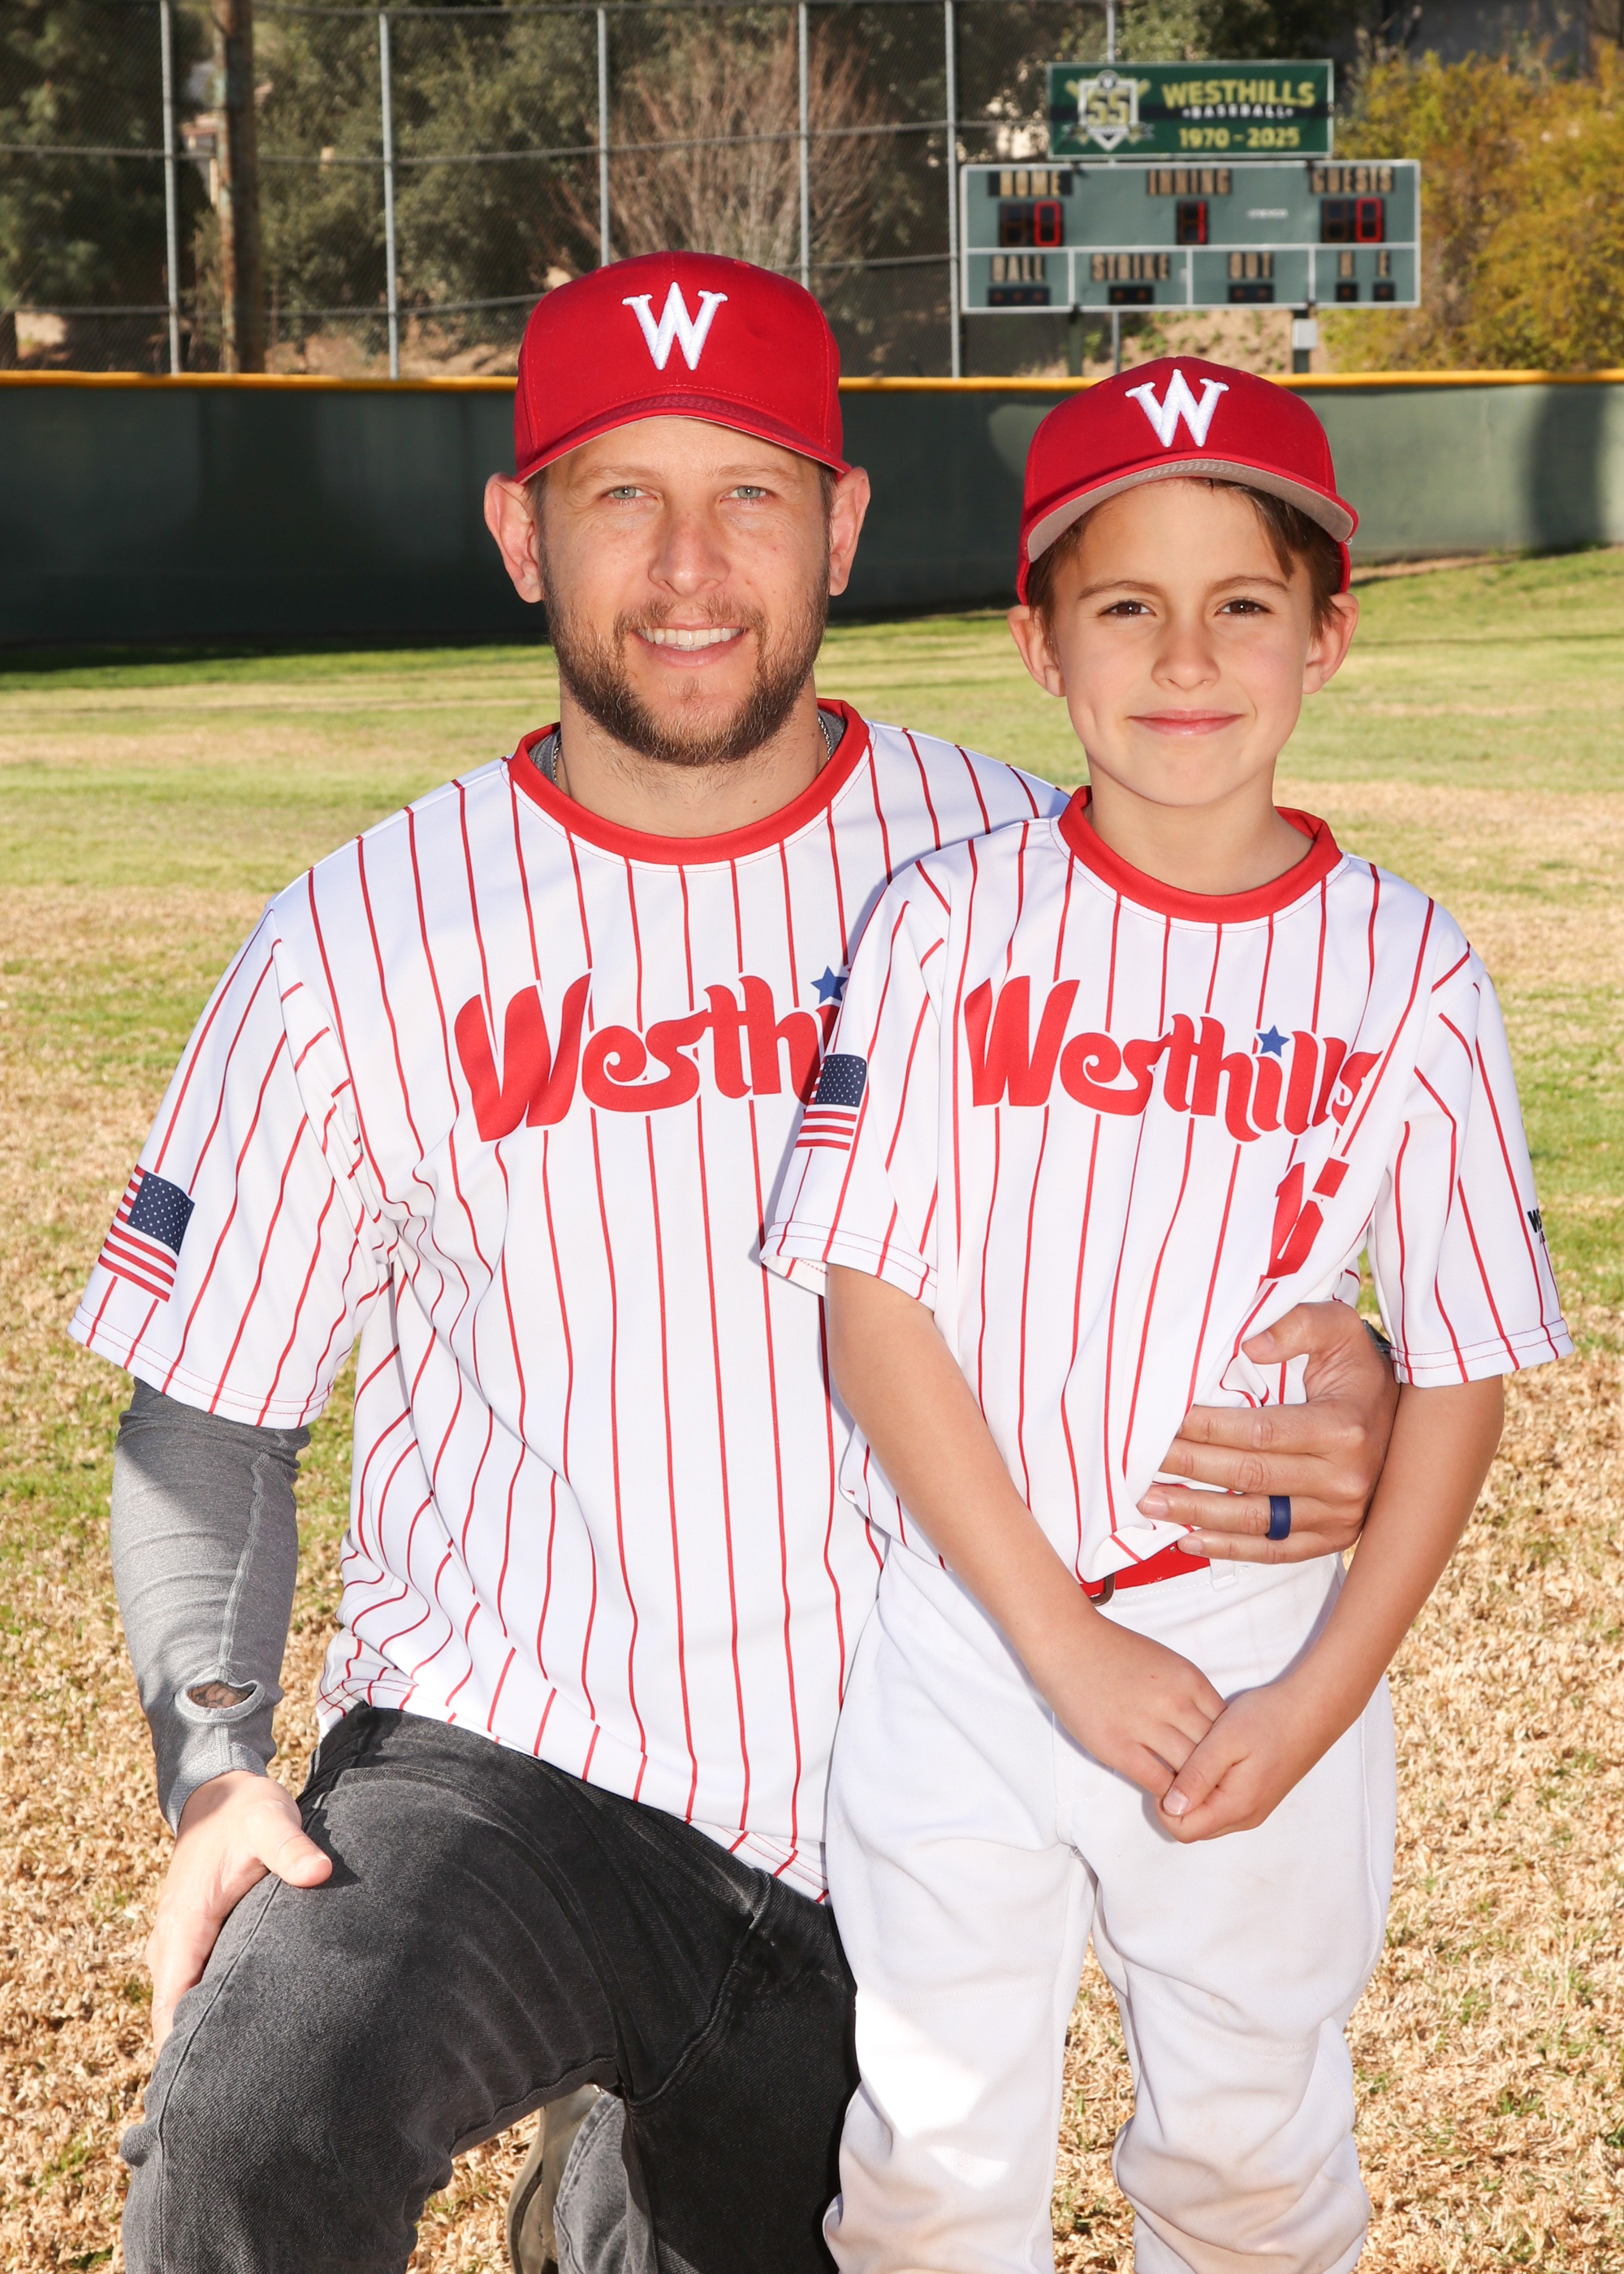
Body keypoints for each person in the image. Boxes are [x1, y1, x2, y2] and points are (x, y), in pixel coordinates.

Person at [76, 274, 1399, 2274]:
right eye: (621, 494)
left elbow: (1223, 1236)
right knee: (259, 2117)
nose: (690, 568)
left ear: (844, 526)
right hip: (508, 1758)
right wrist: (212, 1766)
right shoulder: (359, 938)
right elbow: (204, 1409)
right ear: (521, 530)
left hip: (912, 1786)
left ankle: (605, 2189)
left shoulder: (1031, 874)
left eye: (753, 496)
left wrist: (1352, 1372)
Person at [763, 357, 1572, 2274]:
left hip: (1251, 1634)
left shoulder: (1410, 967)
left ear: (1328, 634)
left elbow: (1463, 1368)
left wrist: (1320, 1693)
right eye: (1125, 603)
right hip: (970, 1627)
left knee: (1245, 2148)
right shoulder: (945, 922)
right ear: (1039, 642)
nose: (1187, 658)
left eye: (1244, 603)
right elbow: (873, 1309)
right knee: (930, 2151)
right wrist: (1056, 1642)